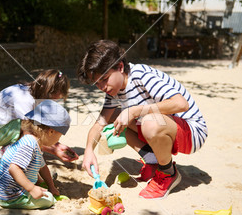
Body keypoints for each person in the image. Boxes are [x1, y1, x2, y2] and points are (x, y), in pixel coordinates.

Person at [77, 40, 208, 199]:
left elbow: (181, 104)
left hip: (192, 132)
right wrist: (89, 151)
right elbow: (100, 124)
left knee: (149, 122)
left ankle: (168, 173)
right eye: (97, 83)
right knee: (116, 117)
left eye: (105, 78)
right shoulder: (114, 91)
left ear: (120, 67)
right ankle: (153, 161)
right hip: (169, 126)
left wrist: (134, 111)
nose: (102, 86)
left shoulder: (140, 76)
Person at [0, 69, 78, 162]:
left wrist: (57, 145)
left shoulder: (33, 92)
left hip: (4, 127)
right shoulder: (26, 99)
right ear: (47, 93)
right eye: (53, 100)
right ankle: (8, 152)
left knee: (34, 128)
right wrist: (53, 149)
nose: (53, 104)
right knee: (30, 128)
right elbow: (32, 131)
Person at [0, 99, 71, 209]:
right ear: (51, 131)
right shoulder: (29, 144)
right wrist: (32, 189)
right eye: (59, 136)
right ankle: (19, 198)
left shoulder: (34, 141)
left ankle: (36, 185)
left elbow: (43, 167)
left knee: (38, 176)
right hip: (10, 195)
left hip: (3, 187)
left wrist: (51, 186)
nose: (59, 139)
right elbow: (13, 169)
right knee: (49, 200)